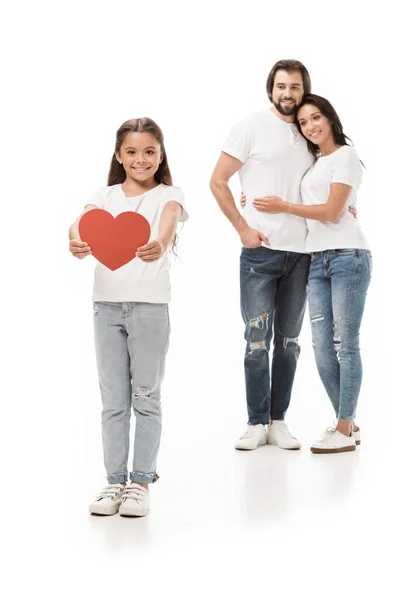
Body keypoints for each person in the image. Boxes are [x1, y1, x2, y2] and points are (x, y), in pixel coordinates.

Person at [69, 117, 188, 515]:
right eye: (132, 152)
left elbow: (169, 220)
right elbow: (80, 222)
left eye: (149, 151)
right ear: (119, 155)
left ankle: (141, 482)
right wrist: (76, 240)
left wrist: (160, 241)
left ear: (161, 154)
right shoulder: (103, 196)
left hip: (150, 309)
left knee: (146, 397)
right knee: (113, 400)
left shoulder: (170, 194)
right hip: (106, 308)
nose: (141, 159)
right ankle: (113, 482)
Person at [246, 94, 371, 453]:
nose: (311, 126)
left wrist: (285, 205)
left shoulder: (345, 155)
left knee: (344, 345)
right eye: (303, 122)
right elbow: (307, 199)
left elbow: (332, 212)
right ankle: (349, 421)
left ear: (330, 118)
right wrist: (251, 198)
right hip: (317, 260)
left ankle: (344, 428)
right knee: (320, 348)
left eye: (316, 118)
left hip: (349, 256)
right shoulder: (316, 162)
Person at [210, 59, 314, 451]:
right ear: (271, 88)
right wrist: (242, 228)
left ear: (304, 90)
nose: (288, 94)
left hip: (302, 253)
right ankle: (256, 421)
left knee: (288, 342)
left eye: (296, 87)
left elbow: (329, 175)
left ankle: (278, 420)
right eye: (282, 86)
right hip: (261, 253)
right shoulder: (250, 127)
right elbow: (218, 181)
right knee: (257, 341)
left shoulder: (309, 129)